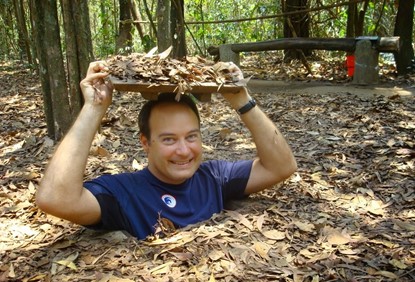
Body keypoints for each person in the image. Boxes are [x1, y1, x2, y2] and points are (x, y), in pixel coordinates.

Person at [36, 61, 297, 240]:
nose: (184, 150)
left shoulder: (215, 177)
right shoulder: (125, 193)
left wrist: (242, 99)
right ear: (145, 142)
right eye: (169, 140)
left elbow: (281, 167)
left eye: (191, 136)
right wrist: (93, 109)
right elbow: (56, 199)